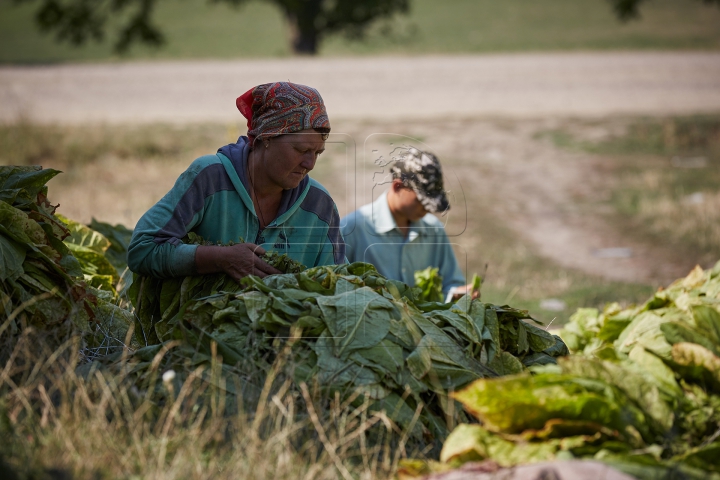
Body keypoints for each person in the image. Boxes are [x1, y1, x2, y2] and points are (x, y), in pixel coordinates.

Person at [128, 82, 345, 281]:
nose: (310, 164)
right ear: (267, 137)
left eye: (317, 153)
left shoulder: (319, 205)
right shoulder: (210, 178)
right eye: (301, 150)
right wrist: (220, 258)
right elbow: (142, 250)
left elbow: (337, 285)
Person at [341, 148, 476, 301]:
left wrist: (457, 294)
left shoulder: (434, 230)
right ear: (397, 186)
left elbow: (450, 283)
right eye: (421, 200)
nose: (427, 209)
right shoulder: (351, 229)